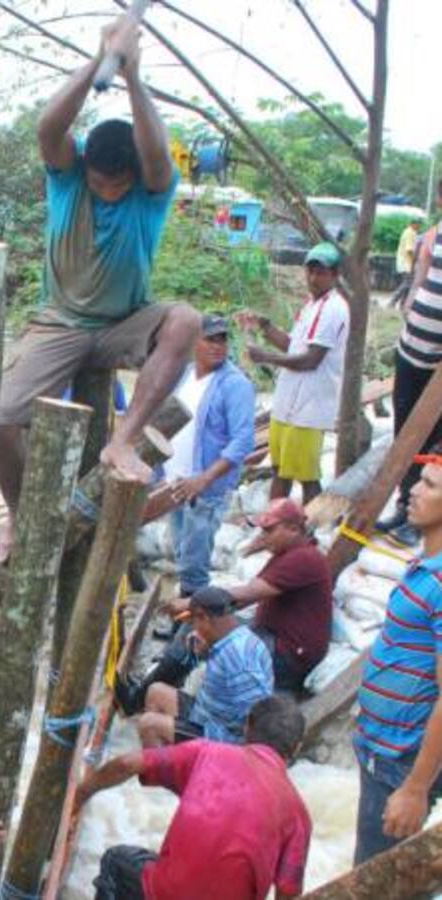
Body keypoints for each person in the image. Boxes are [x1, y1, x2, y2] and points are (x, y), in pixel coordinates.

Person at [0, 15, 199, 561]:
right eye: (100, 182)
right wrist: (97, 58)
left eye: (118, 184)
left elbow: (154, 149)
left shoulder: (150, 189)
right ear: (86, 168)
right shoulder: (66, 173)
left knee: (186, 321)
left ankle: (123, 438)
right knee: (2, 418)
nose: (108, 192)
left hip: (122, 322)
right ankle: (21, 517)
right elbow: (46, 128)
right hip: (59, 322)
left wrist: (132, 75)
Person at [78, 695, 311, 900]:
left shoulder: (207, 753)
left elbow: (126, 763)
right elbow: (288, 892)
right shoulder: (299, 815)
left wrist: (81, 794)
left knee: (115, 860)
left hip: (164, 894)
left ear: (247, 726)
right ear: (297, 748)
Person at [143, 499, 331, 706]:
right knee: (200, 626)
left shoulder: (302, 558)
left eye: (270, 531)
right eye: (263, 531)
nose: (263, 536)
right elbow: (243, 599)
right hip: (273, 639)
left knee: (201, 633)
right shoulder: (289, 554)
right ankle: (164, 683)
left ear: (294, 529)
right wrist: (202, 613)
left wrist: (191, 603)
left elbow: (248, 593)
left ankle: (151, 690)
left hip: (287, 654)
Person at [352, 449, 442, 864]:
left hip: (401, 762)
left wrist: (416, 788)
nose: (413, 491)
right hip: (380, 747)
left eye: (430, 485)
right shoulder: (425, 564)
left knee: (377, 882)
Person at [238, 242, 350, 505]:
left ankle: (310, 530)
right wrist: (265, 326)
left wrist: (265, 357)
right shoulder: (312, 305)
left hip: (308, 408)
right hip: (289, 403)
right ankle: (276, 525)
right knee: (281, 469)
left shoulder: (333, 309)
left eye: (320, 272)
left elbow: (311, 360)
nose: (313, 278)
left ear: (335, 275)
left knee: (306, 476)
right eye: (310, 271)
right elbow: (293, 346)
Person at [165, 314, 256, 597]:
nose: (217, 346)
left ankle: (191, 627)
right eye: (210, 339)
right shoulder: (184, 375)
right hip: (175, 483)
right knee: (181, 552)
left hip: (205, 489)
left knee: (193, 565)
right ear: (194, 342)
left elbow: (243, 441)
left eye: (223, 339)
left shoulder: (234, 384)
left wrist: (203, 480)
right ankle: (189, 621)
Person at [378, 199, 442, 546]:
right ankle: (405, 506)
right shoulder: (432, 236)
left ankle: (424, 521)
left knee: (435, 442)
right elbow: (419, 278)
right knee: (405, 435)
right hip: (410, 350)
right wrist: (411, 305)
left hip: (438, 365)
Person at [135, 586, 272, 747]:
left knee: (149, 725)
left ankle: (164, 768)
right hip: (208, 713)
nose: (195, 628)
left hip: (222, 737)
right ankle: (171, 759)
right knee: (156, 691)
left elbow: (255, 716)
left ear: (204, 618)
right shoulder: (237, 637)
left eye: (194, 622)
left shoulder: (239, 661)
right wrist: (205, 653)